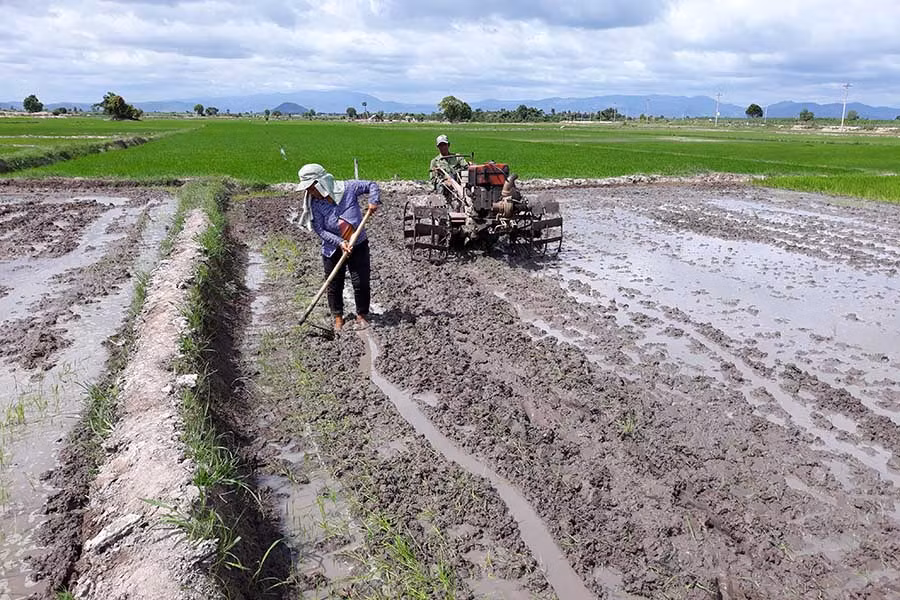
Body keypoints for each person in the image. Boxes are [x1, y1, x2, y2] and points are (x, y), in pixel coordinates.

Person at [296, 163, 381, 331]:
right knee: (334, 284)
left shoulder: (348, 188)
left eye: (312, 188)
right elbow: (319, 229)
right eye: (309, 189)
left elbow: (372, 185)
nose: (310, 192)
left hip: (358, 243)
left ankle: (362, 315)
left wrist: (373, 201)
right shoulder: (314, 203)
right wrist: (340, 242)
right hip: (332, 248)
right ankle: (338, 318)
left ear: (321, 183)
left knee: (361, 281)